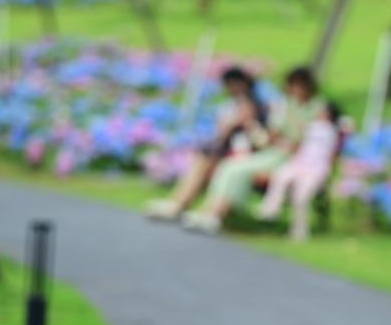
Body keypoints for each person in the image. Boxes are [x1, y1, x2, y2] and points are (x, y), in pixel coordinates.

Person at [181, 66, 322, 234]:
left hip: (294, 159)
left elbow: (312, 139)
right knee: (229, 166)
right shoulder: (287, 105)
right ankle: (210, 211)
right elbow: (273, 134)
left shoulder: (318, 109)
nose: (296, 90)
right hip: (273, 152)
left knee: (235, 169)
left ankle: (216, 214)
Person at [144, 66, 267, 221]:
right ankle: (179, 203)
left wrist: (241, 124)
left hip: (246, 154)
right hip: (229, 151)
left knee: (217, 164)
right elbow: (222, 134)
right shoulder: (234, 105)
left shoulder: (254, 106)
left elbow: (254, 137)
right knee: (202, 159)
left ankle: (205, 210)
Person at [258, 101, 341, 241]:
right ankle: (271, 210)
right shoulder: (319, 128)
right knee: (281, 177)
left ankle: (299, 231)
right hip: (300, 164)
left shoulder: (327, 130)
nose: (318, 113)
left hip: (316, 170)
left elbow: (300, 125)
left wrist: (287, 112)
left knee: (300, 197)